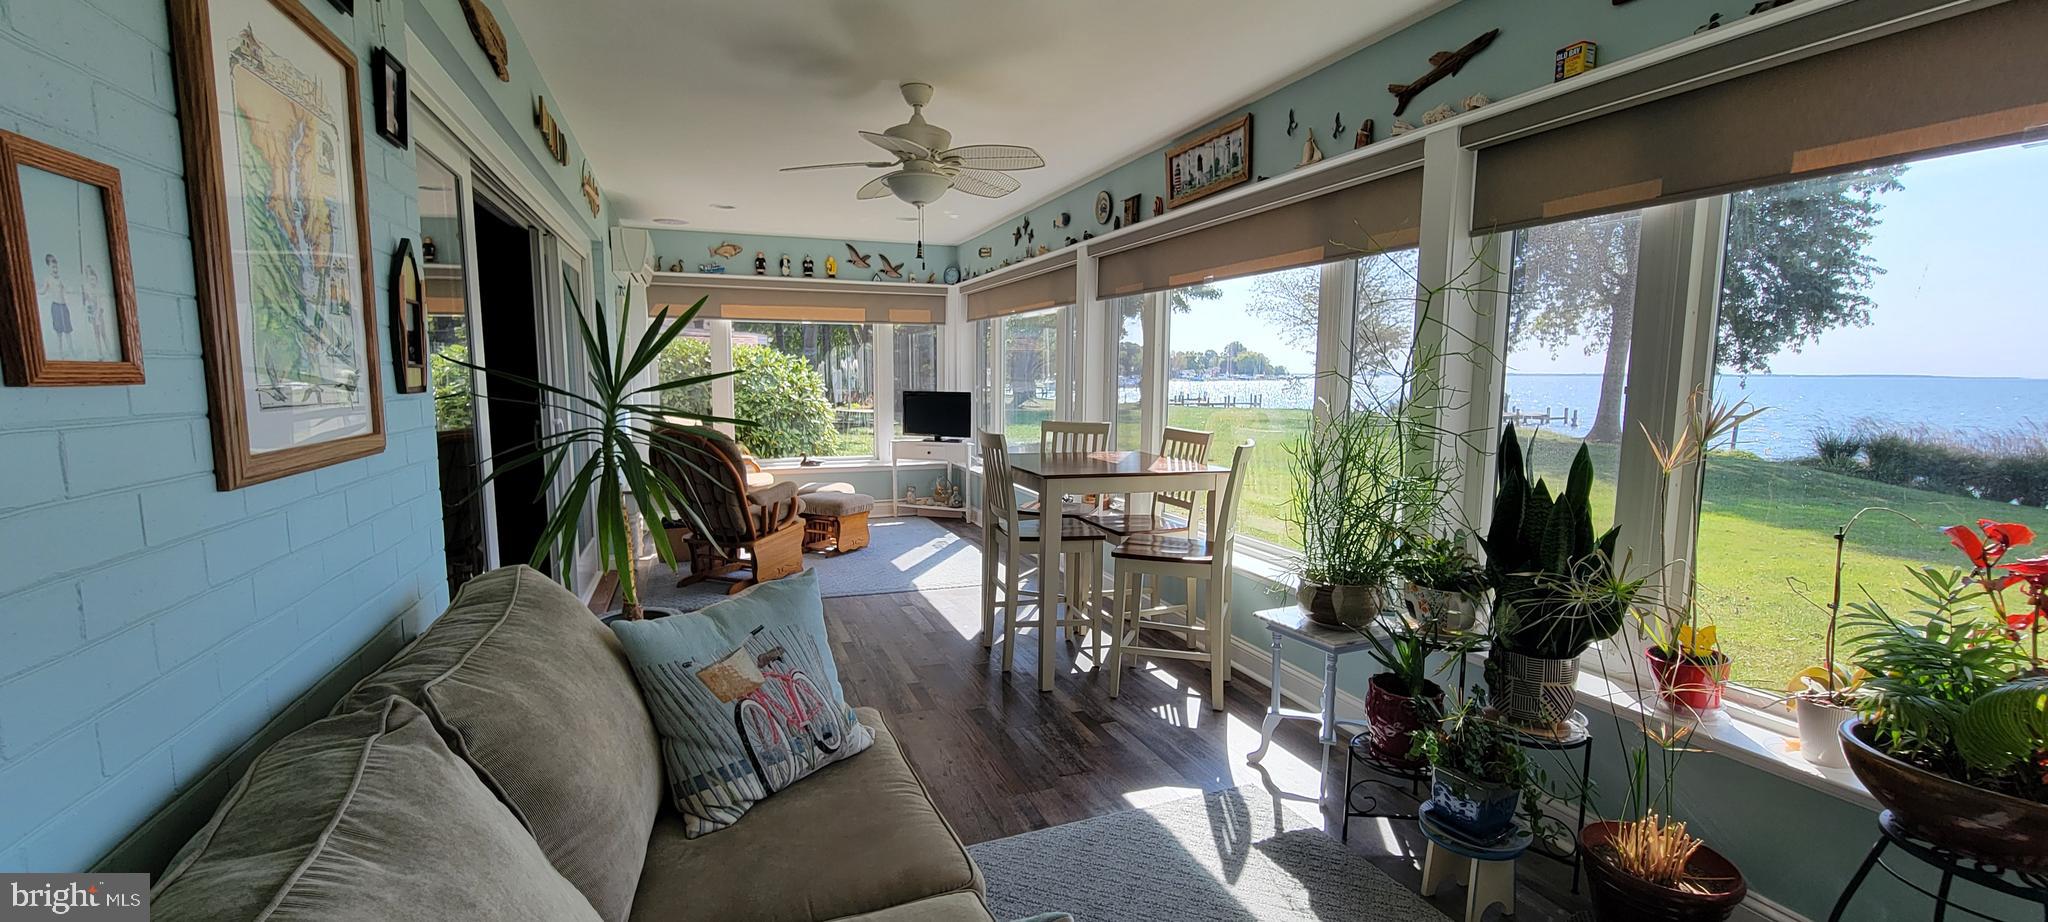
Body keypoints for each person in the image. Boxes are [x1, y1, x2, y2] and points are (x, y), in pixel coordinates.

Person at [38, 254, 73, 357]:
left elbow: (67, 289)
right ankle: (60, 351)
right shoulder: (48, 279)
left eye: (56, 267)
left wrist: (71, 289)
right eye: (53, 267)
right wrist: (34, 290)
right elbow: (43, 291)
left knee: (67, 330)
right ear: (49, 267)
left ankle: (71, 350)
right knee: (58, 331)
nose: (55, 269)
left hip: (63, 306)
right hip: (55, 306)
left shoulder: (60, 278)